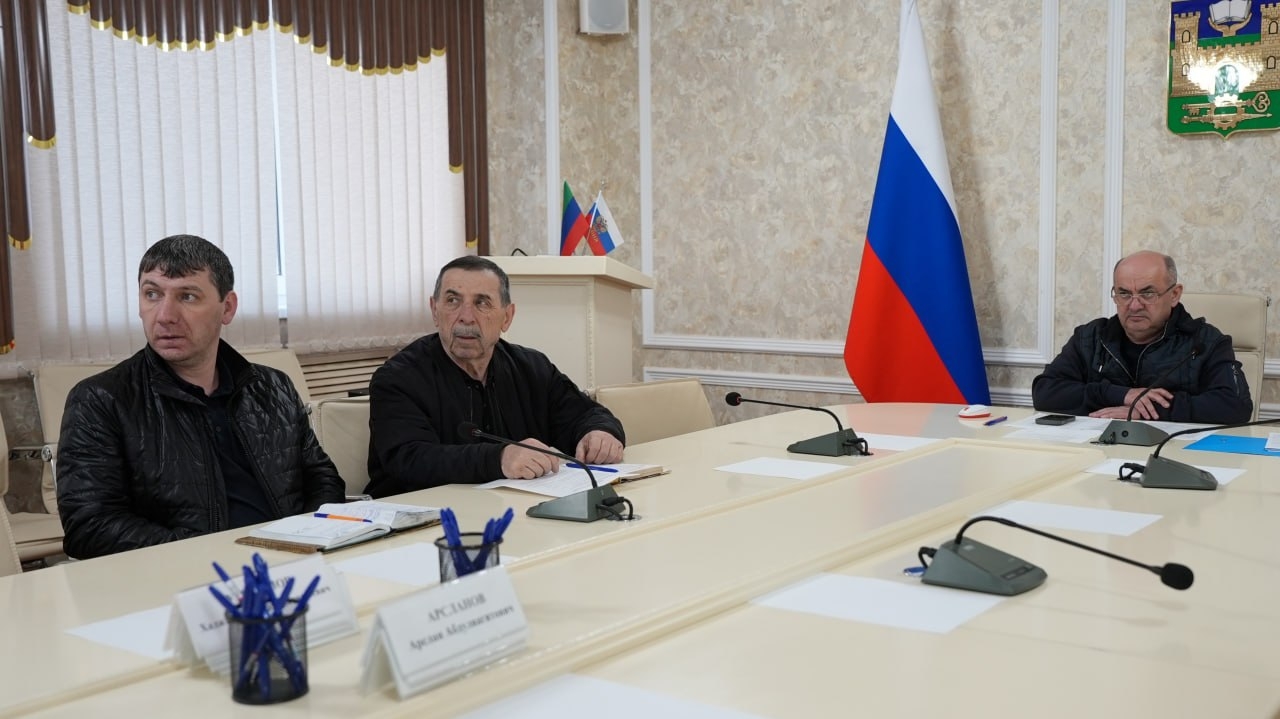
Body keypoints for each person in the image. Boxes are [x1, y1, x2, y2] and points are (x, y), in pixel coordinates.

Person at [57, 235, 345, 559]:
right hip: (185, 575)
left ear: (227, 308)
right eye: (152, 294)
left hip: (293, 561)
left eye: (187, 296)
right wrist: (208, 554)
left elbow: (322, 478)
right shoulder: (100, 400)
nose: (165, 315)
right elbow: (90, 526)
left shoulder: (273, 387)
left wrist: (305, 538)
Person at [366, 255, 625, 496]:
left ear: (507, 317)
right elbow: (409, 459)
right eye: (453, 301)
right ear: (435, 310)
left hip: (515, 513)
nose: (466, 317)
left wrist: (600, 433)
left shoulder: (532, 367)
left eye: (482, 303)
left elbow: (586, 414)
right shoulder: (398, 377)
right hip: (424, 517)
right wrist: (499, 459)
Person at [1032, 250, 1251, 423]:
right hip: (1099, 450)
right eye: (1124, 294)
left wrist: (1147, 411)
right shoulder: (1091, 337)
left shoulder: (1204, 342)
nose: (1134, 305)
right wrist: (1121, 394)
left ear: (1174, 294)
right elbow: (1044, 392)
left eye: (1147, 293)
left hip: (1172, 453)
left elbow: (1236, 406)